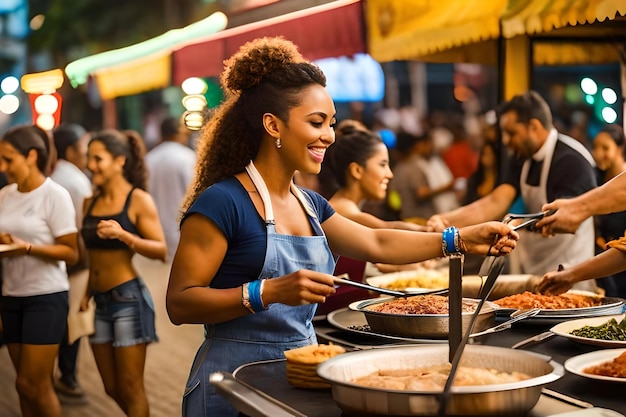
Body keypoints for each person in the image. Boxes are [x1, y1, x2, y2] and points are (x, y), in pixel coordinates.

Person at [165, 36, 518, 417]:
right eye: (316, 123)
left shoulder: (310, 204)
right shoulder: (223, 202)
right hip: (230, 385)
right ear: (273, 125)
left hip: (301, 374)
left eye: (331, 123)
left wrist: (460, 239)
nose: (329, 136)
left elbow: (378, 243)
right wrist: (268, 291)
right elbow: (180, 302)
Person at [428, 91, 598, 285]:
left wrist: (515, 224)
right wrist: (445, 222)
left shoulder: (571, 161)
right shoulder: (521, 157)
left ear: (533, 126)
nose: (506, 141)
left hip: (572, 269)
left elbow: (567, 219)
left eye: (511, 133)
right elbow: (495, 201)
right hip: (534, 264)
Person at [82, 129, 166, 417]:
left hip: (128, 300)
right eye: (88, 158)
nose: (90, 165)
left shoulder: (138, 199)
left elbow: (160, 250)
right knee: (111, 388)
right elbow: (92, 257)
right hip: (99, 303)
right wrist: (85, 294)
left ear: (119, 161)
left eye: (97, 158)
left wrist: (124, 235)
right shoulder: (89, 202)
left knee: (131, 388)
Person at [0, 124, 79, 417]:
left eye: (9, 159)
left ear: (31, 156)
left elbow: (71, 252)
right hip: (11, 295)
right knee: (23, 387)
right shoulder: (5, 195)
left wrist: (28, 248)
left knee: (34, 383)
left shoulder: (54, 194)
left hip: (46, 297)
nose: (3, 166)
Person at [50, 122, 94, 399]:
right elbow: (83, 226)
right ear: (71, 150)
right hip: (75, 260)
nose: (87, 154)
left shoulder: (52, 176)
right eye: (84, 148)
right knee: (74, 321)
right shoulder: (78, 181)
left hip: (56, 260)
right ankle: (68, 376)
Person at [145, 116, 197, 261]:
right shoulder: (187, 157)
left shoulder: (149, 159)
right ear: (179, 132)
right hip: (182, 231)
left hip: (154, 233)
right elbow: (195, 193)